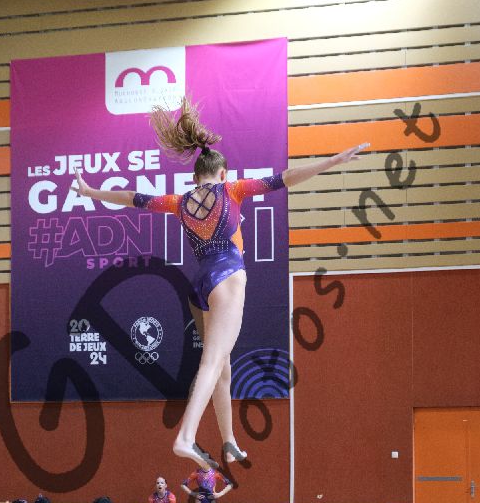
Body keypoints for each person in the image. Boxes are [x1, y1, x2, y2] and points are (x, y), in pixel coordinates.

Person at [75, 95, 369, 470]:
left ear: (195, 178)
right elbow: (285, 178)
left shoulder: (179, 201)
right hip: (228, 274)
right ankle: (186, 436)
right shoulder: (233, 190)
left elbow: (134, 198)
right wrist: (332, 161)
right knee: (213, 362)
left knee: (223, 366)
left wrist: (91, 192)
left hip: (200, 284)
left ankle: (229, 441)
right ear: (223, 174)